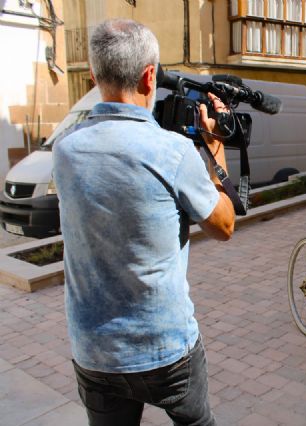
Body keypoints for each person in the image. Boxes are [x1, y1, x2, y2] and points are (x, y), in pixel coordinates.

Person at [52, 19, 234, 426]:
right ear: (150, 76)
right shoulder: (172, 151)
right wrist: (215, 148)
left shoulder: (64, 150)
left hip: (95, 350)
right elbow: (223, 226)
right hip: (165, 347)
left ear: (96, 75)